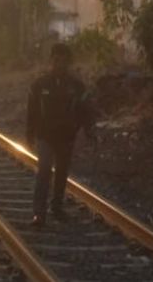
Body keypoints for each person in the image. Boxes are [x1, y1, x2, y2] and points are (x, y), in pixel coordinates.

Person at [26, 42, 95, 226]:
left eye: (64, 60)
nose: (60, 64)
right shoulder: (39, 85)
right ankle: (39, 213)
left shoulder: (77, 86)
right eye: (56, 60)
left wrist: (87, 130)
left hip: (66, 136)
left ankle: (57, 207)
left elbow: (85, 110)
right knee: (44, 170)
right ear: (51, 61)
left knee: (62, 173)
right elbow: (31, 112)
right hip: (45, 136)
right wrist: (29, 135)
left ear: (68, 62)